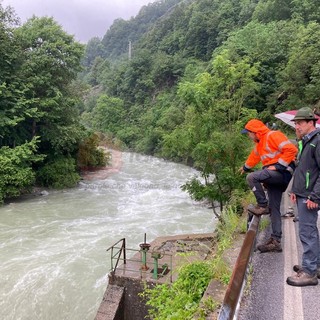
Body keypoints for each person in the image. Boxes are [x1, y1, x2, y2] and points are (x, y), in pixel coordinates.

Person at [239, 119, 298, 252]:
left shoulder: (273, 135)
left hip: (282, 173)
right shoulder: (259, 144)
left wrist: (278, 166)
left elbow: (291, 150)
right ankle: (276, 241)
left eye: (249, 133)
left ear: (255, 132)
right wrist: (245, 167)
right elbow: (253, 158)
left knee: (252, 177)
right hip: (273, 177)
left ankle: (262, 205)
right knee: (274, 208)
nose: (248, 136)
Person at [287, 107, 320, 287]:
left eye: (299, 123)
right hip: (303, 193)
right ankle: (316, 265)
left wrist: (314, 196)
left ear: (310, 122)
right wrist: (295, 190)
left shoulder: (317, 141)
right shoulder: (307, 141)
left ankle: (309, 272)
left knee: (307, 232)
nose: (296, 127)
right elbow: (303, 170)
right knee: (309, 231)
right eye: (295, 123)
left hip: (311, 195)